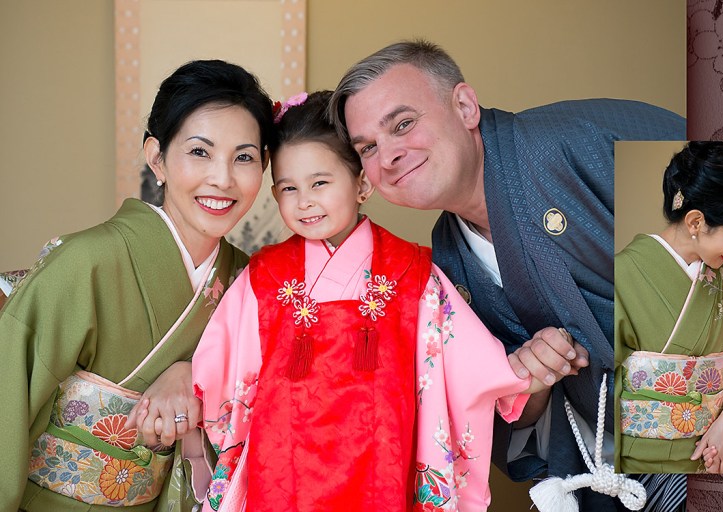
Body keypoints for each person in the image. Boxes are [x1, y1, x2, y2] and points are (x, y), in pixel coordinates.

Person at [329, 39, 686, 511]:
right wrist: (530, 380)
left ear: (464, 106)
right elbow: (506, 416)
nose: (389, 155)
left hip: (717, 436)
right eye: (369, 147)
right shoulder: (448, 258)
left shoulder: (575, 141)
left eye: (403, 124)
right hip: (612, 467)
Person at [191, 91, 558, 512]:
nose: (304, 201)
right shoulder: (265, 276)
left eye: (320, 183)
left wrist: (518, 374)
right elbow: (222, 374)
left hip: (384, 462)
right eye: (289, 188)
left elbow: (462, 363)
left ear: (362, 183)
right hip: (282, 469)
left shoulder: (409, 272)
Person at [0, 60, 273, 511]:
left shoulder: (251, 282)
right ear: (156, 157)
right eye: (200, 152)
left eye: (244, 157)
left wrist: (194, 373)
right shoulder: (86, 262)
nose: (223, 179)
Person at [614, 142, 723, 475]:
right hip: (642, 467)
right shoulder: (621, 274)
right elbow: (599, 386)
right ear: (696, 221)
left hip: (722, 455)